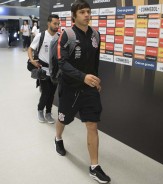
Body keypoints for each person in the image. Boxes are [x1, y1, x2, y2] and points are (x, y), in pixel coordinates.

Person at [55, 0, 111, 183]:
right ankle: (58, 137)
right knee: (63, 119)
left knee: (92, 125)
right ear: (74, 15)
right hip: (70, 88)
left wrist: (94, 80)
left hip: (89, 89)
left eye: (88, 12)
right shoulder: (66, 35)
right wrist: (82, 76)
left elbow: (95, 61)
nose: (86, 15)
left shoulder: (96, 35)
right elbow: (62, 63)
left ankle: (94, 167)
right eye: (82, 12)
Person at [28, 14, 60, 123]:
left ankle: (48, 113)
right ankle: (40, 110)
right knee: (46, 92)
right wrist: (32, 60)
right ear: (49, 23)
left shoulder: (59, 37)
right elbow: (30, 49)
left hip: (55, 71)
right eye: (54, 23)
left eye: (58, 24)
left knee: (52, 94)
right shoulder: (41, 36)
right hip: (43, 71)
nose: (57, 26)